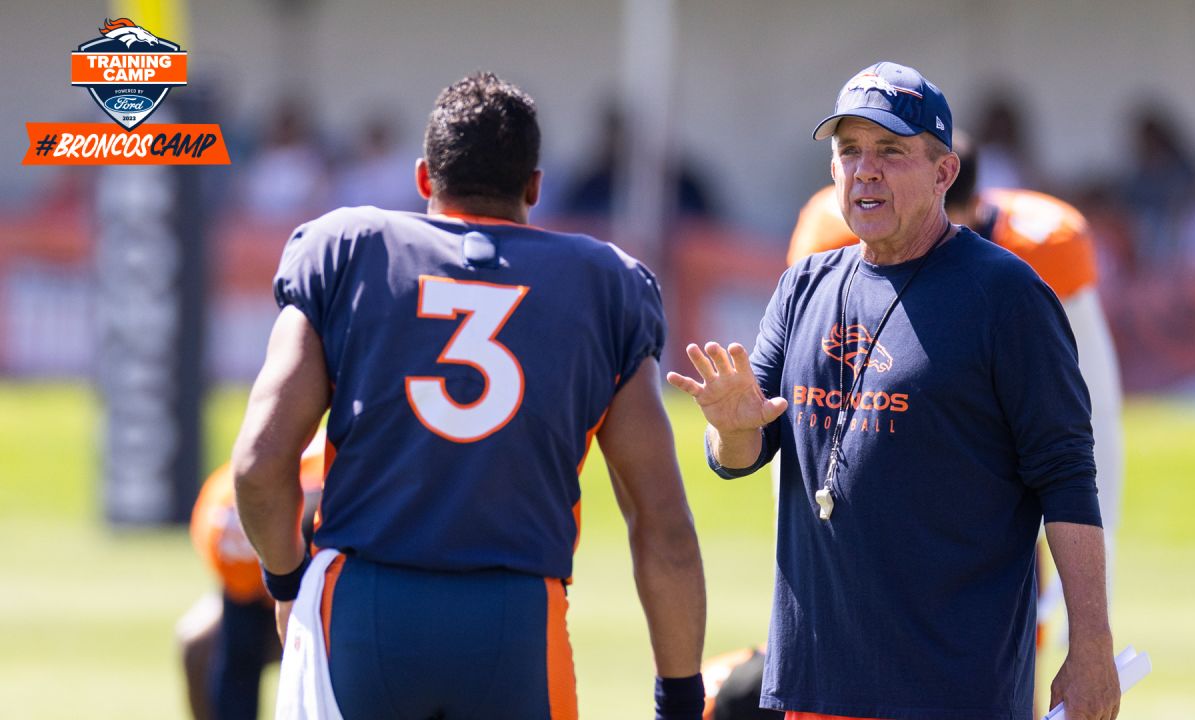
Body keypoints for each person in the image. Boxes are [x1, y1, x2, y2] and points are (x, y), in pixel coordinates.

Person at [231, 72, 706, 720]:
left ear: (425, 178)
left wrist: (288, 582)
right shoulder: (605, 284)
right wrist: (679, 695)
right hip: (516, 614)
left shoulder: (345, 250)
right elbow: (664, 526)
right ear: (534, 187)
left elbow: (259, 464)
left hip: (364, 602)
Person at [667, 61, 1120, 720]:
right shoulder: (804, 288)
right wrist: (732, 428)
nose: (865, 170)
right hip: (815, 682)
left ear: (944, 173)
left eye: (891, 152)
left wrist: (1090, 648)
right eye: (849, 151)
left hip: (952, 688)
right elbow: (739, 457)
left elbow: (1069, 477)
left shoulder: (1008, 296)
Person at [787, 134, 1126, 685]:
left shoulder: (1037, 250)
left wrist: (1088, 580)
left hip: (986, 496)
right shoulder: (836, 234)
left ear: (952, 188)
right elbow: (802, 408)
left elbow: (1090, 418)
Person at [179, 433, 325, 720]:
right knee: (200, 645)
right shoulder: (226, 516)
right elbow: (239, 651)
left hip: (357, 583)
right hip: (266, 575)